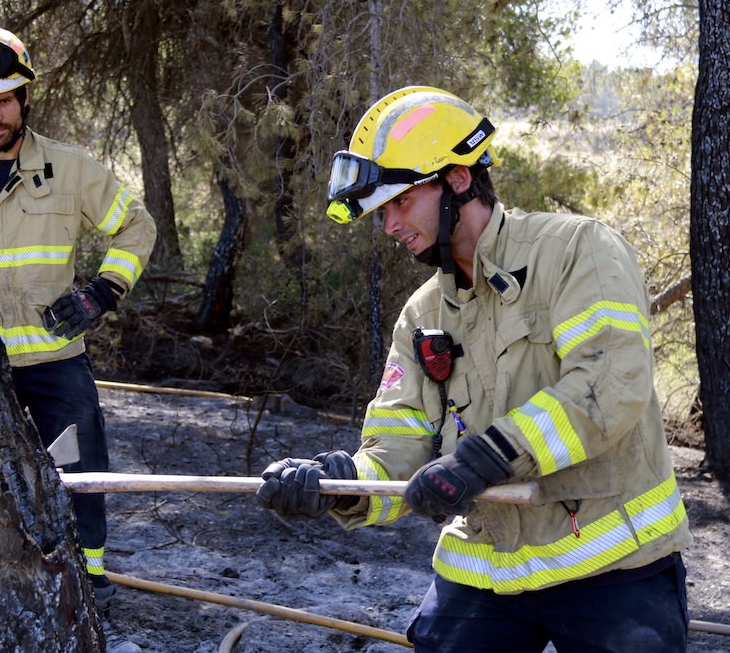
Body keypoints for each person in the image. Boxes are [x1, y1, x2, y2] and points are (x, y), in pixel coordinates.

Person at [256, 86, 692, 652]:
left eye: (399, 203)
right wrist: (340, 486)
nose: (389, 226)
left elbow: (608, 386)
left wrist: (482, 461)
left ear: (457, 180)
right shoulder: (422, 314)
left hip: (611, 563)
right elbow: (400, 441)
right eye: (382, 212)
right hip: (483, 571)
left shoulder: (578, 251)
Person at [0, 22, 156, 634]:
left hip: (55, 362)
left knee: (81, 474)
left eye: (4, 100)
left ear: (26, 97)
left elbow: (137, 227)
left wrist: (102, 292)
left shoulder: (72, 169)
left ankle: (92, 580)